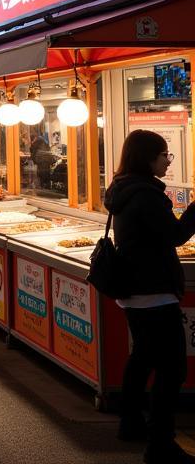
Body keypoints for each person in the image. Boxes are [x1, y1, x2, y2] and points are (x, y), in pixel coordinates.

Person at [105, 129, 195, 463]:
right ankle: (160, 444)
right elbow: (175, 235)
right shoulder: (146, 194)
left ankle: (130, 423)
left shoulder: (123, 188)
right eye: (164, 155)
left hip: (134, 290)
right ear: (148, 158)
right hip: (154, 292)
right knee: (172, 371)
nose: (167, 161)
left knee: (141, 359)